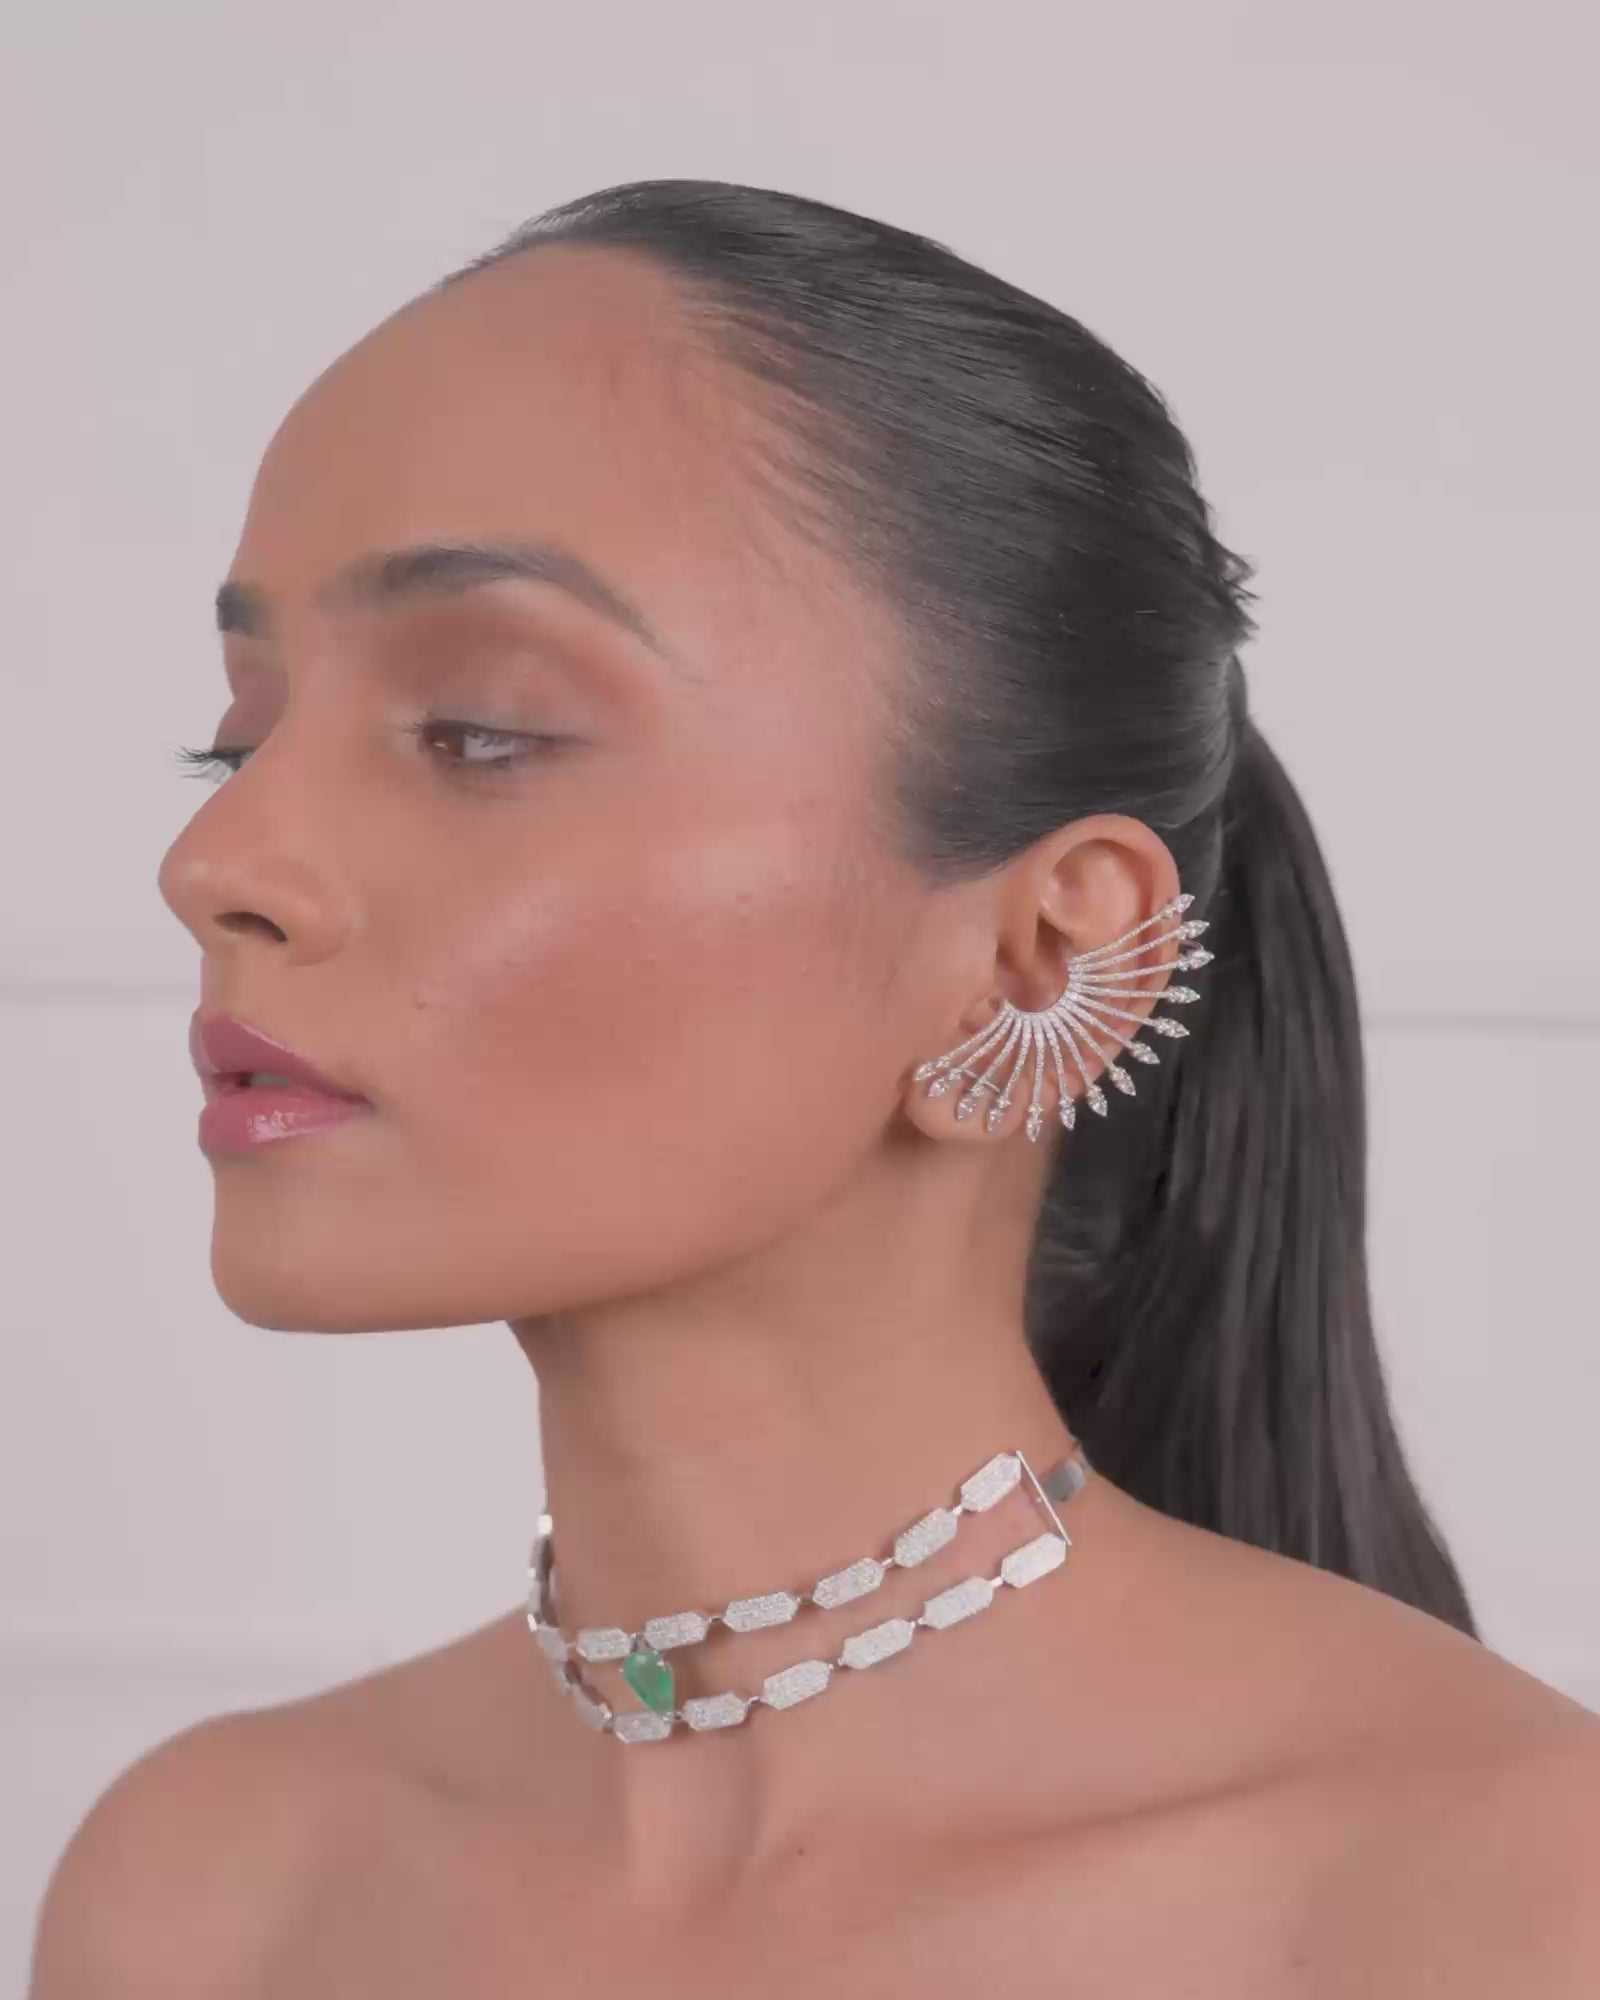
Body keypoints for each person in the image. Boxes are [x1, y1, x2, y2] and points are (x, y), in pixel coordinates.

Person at [29, 178, 1600, 1996]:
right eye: (235, 739)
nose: (218, 860)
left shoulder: (1498, 1905)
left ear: (1041, 951)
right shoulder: (211, 1896)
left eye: (479, 733)